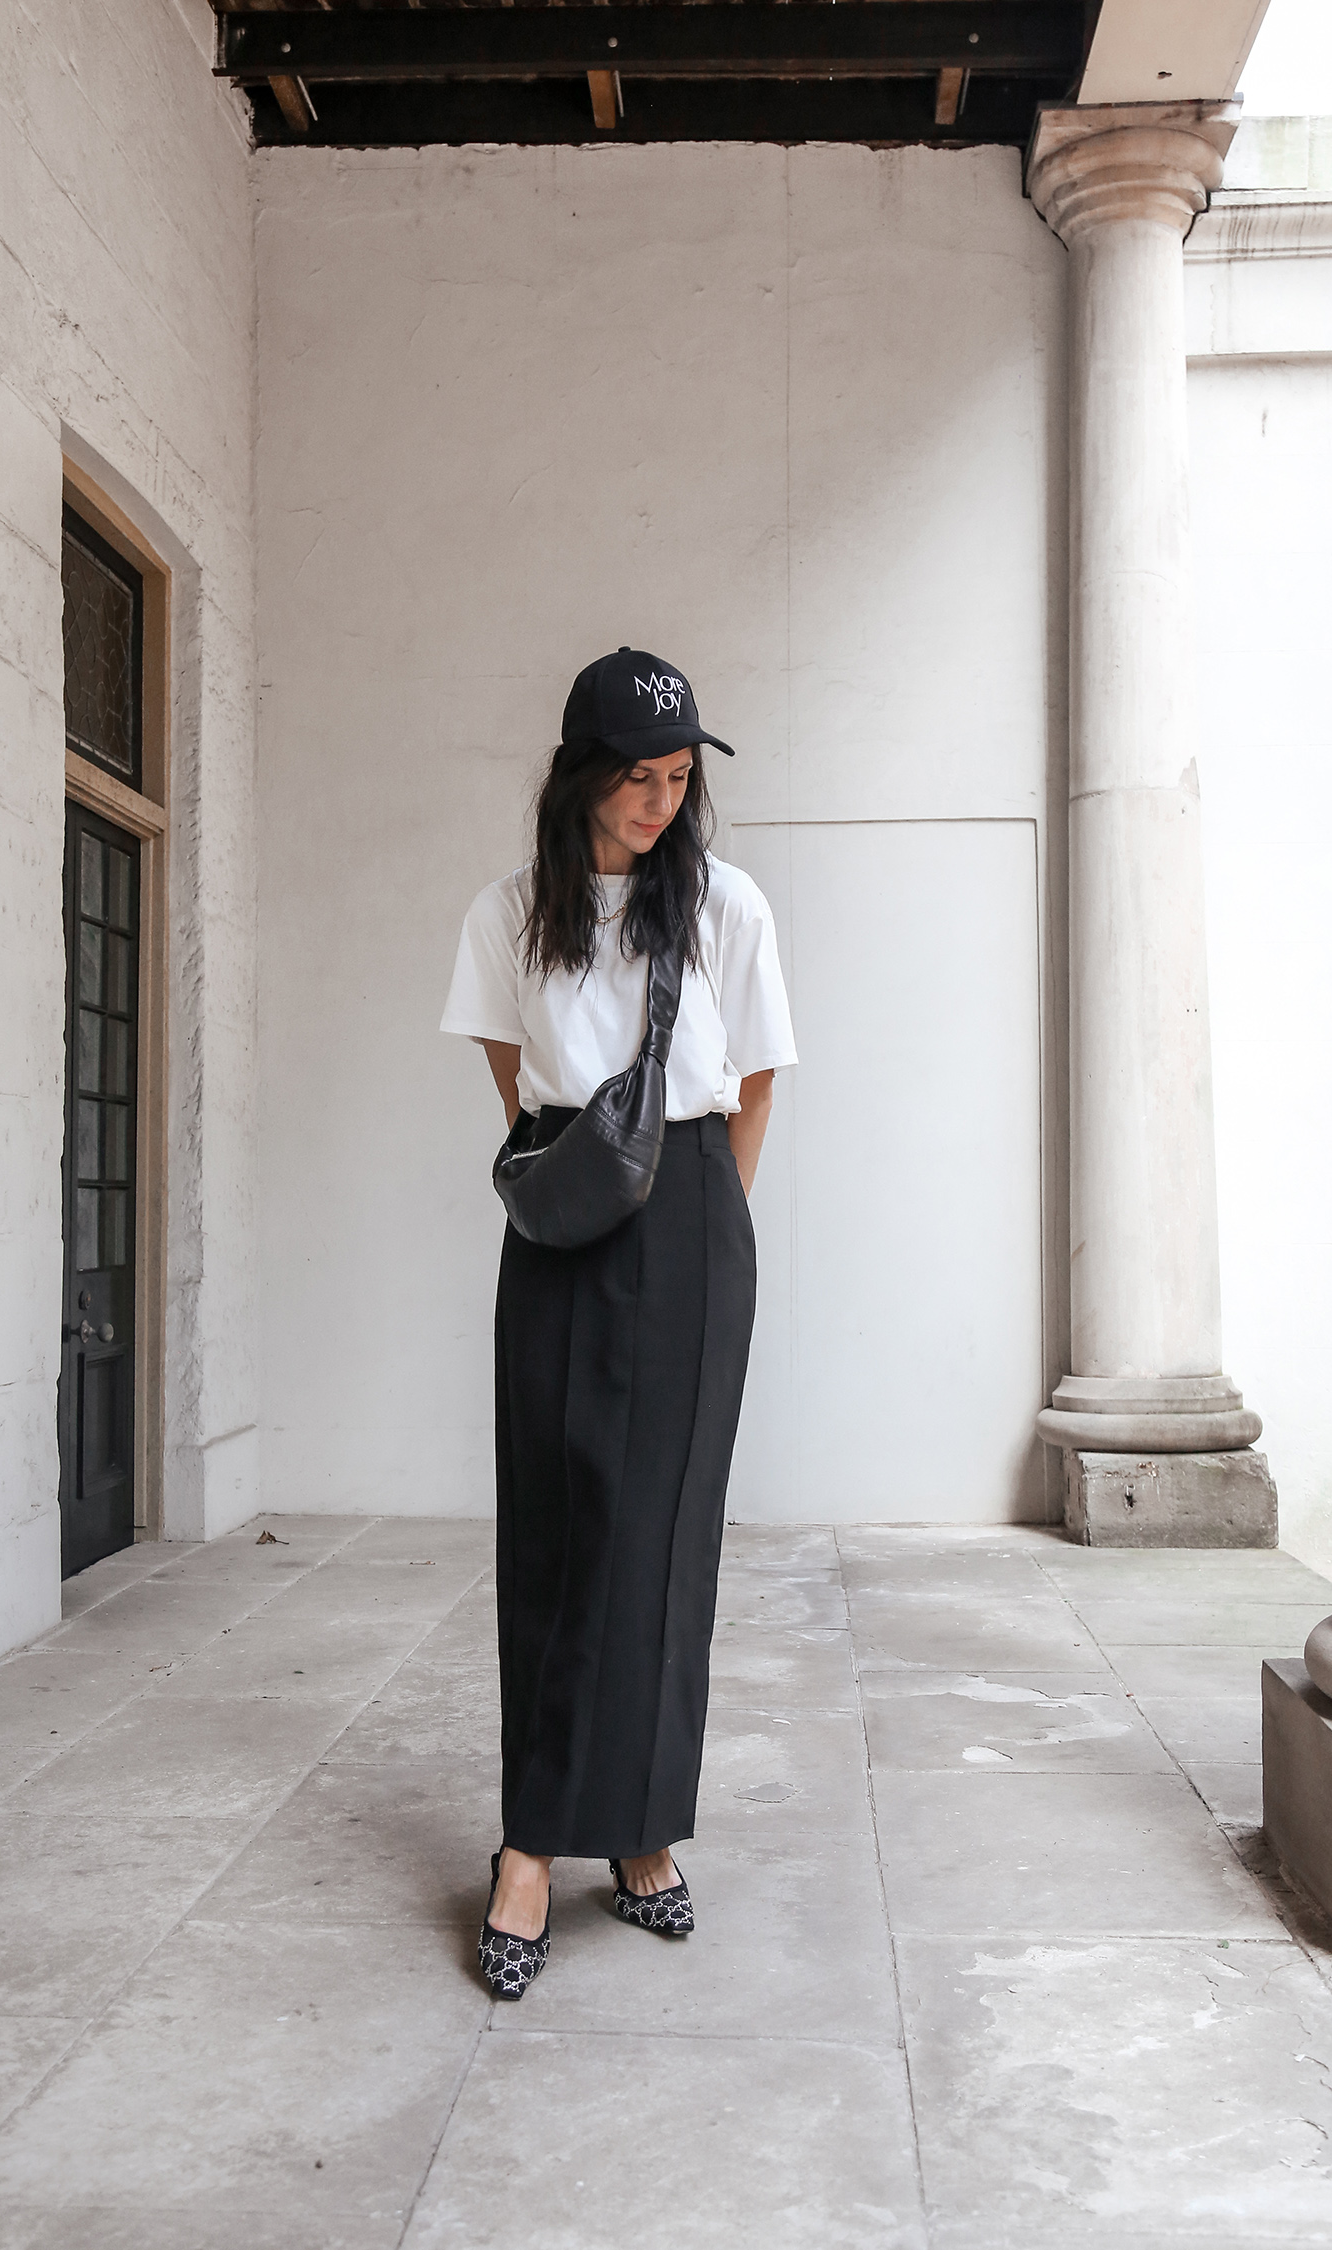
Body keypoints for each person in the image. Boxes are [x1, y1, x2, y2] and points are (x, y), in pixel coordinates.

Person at [440, 646, 798, 1999]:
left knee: (659, 1540)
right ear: (580, 776)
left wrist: (705, 1224)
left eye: (678, 775)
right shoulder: (508, 911)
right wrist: (583, 1191)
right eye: (638, 776)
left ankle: (641, 1829)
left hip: (694, 1214)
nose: (660, 800)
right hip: (562, 1223)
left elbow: (754, 1083)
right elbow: (516, 1080)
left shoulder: (727, 908)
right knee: (554, 1523)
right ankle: (532, 1841)